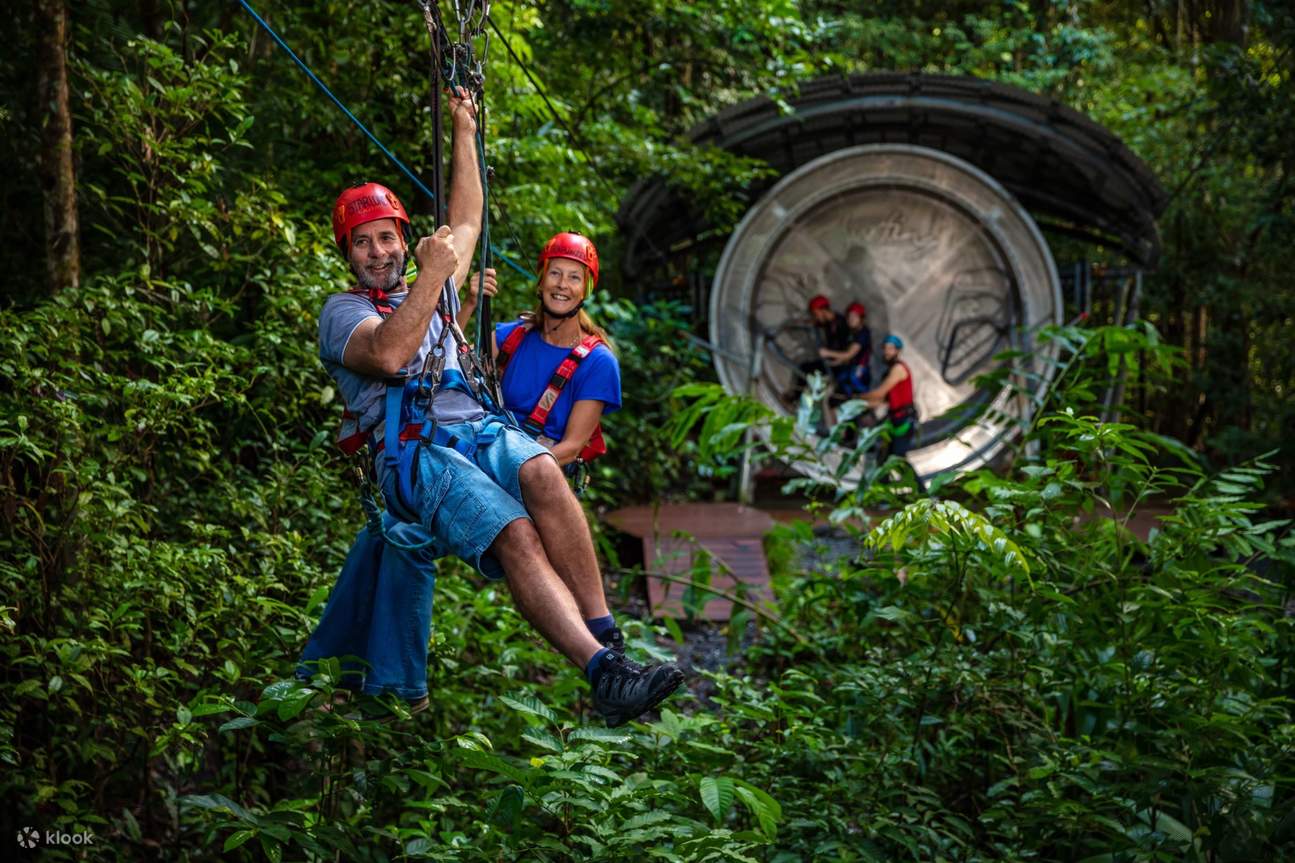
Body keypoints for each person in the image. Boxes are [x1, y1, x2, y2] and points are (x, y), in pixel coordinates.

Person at [304, 88, 684, 727]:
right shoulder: (343, 314)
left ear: (403, 239)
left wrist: (463, 128)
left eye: (387, 237)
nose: (377, 251)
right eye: (363, 242)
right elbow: (392, 356)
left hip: (476, 427)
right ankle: (600, 674)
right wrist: (432, 275)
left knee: (541, 470)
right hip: (414, 452)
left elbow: (468, 216)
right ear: (349, 254)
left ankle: (607, 640)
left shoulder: (436, 287)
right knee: (515, 533)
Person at [862, 334, 925, 492]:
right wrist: (854, 403)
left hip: (904, 421)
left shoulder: (898, 369)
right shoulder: (890, 371)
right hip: (895, 420)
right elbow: (882, 401)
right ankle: (884, 497)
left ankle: (924, 495)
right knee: (883, 459)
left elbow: (879, 393)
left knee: (898, 459)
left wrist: (855, 397)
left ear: (898, 351)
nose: (886, 352)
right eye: (885, 348)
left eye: (890, 349)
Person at [785, 294, 851, 407]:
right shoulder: (828, 321)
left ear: (823, 311)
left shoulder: (841, 324)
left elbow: (847, 353)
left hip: (839, 366)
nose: (816, 317)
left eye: (816, 314)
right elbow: (814, 323)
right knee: (805, 368)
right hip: (830, 362)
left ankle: (797, 399)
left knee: (808, 370)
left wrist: (829, 354)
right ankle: (796, 397)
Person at [818, 301, 872, 397]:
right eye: (849, 317)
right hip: (850, 368)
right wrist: (834, 363)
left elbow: (849, 354)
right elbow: (847, 357)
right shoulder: (853, 332)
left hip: (858, 372)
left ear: (861, 318)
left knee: (852, 392)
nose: (851, 320)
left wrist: (828, 353)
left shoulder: (863, 334)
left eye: (854, 317)